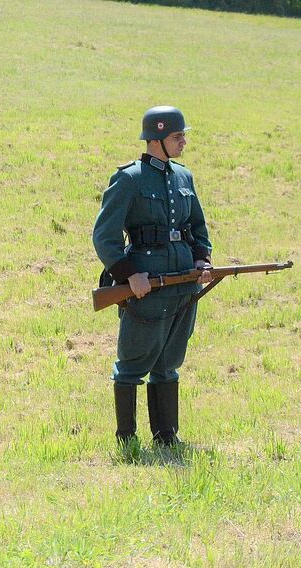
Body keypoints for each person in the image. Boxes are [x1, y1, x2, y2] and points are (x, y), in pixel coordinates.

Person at [93, 106, 213, 446]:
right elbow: (104, 236)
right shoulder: (129, 179)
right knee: (132, 362)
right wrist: (129, 276)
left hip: (182, 283)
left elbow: (198, 227)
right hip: (146, 286)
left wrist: (203, 261)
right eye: (177, 137)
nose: (184, 142)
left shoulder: (184, 177)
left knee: (169, 362)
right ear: (156, 139)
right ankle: (127, 439)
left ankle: (166, 437)